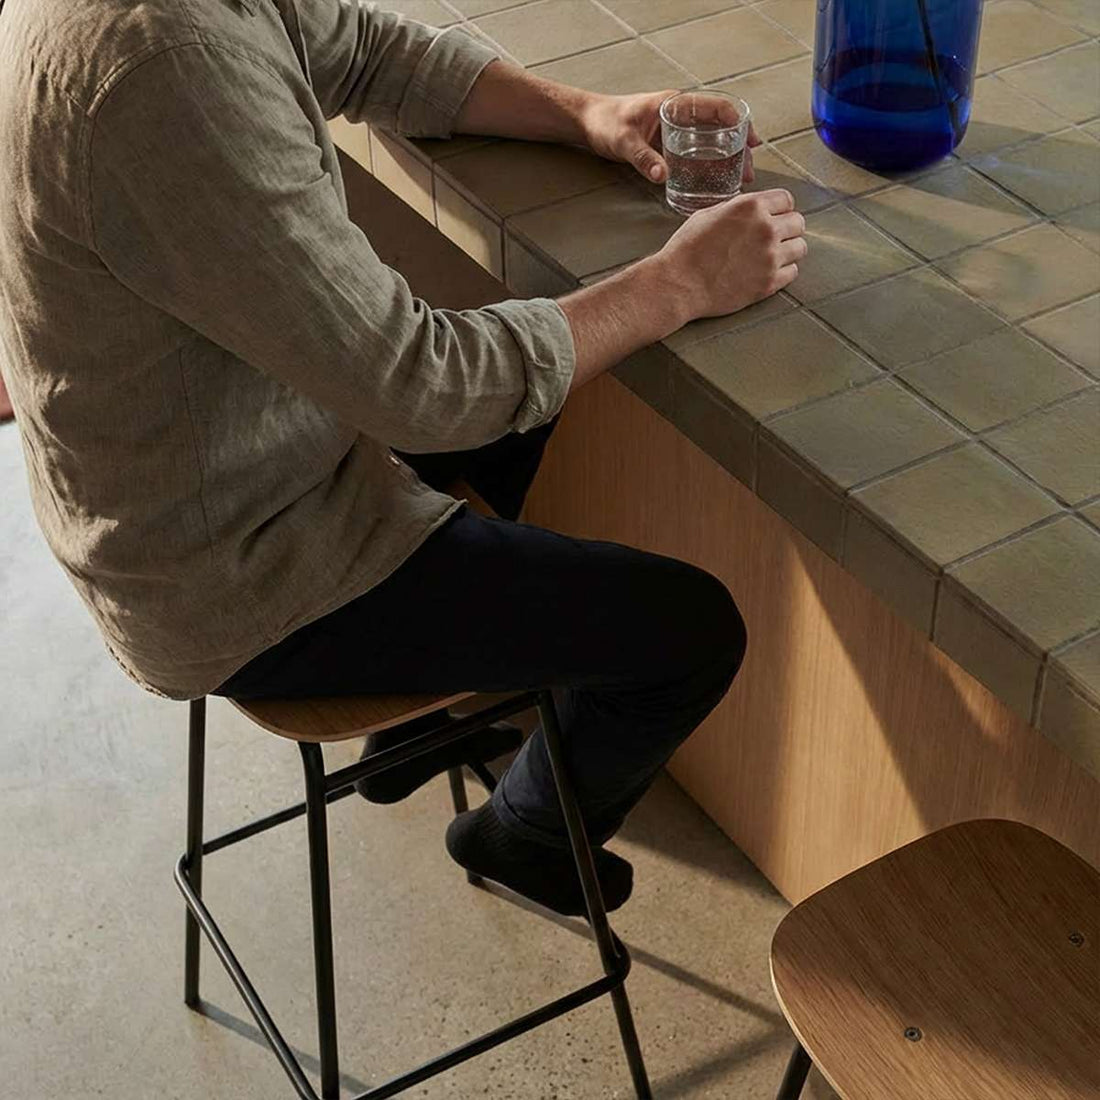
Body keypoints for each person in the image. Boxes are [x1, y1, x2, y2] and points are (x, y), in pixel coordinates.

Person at [0, 0, 806, 915]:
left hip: (243, 461)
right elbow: (425, 390)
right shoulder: (168, 70)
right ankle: (526, 838)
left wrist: (588, 114)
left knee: (541, 369)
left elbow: (358, 49)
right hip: (237, 574)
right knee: (691, 632)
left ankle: (414, 731)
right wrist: (680, 284)